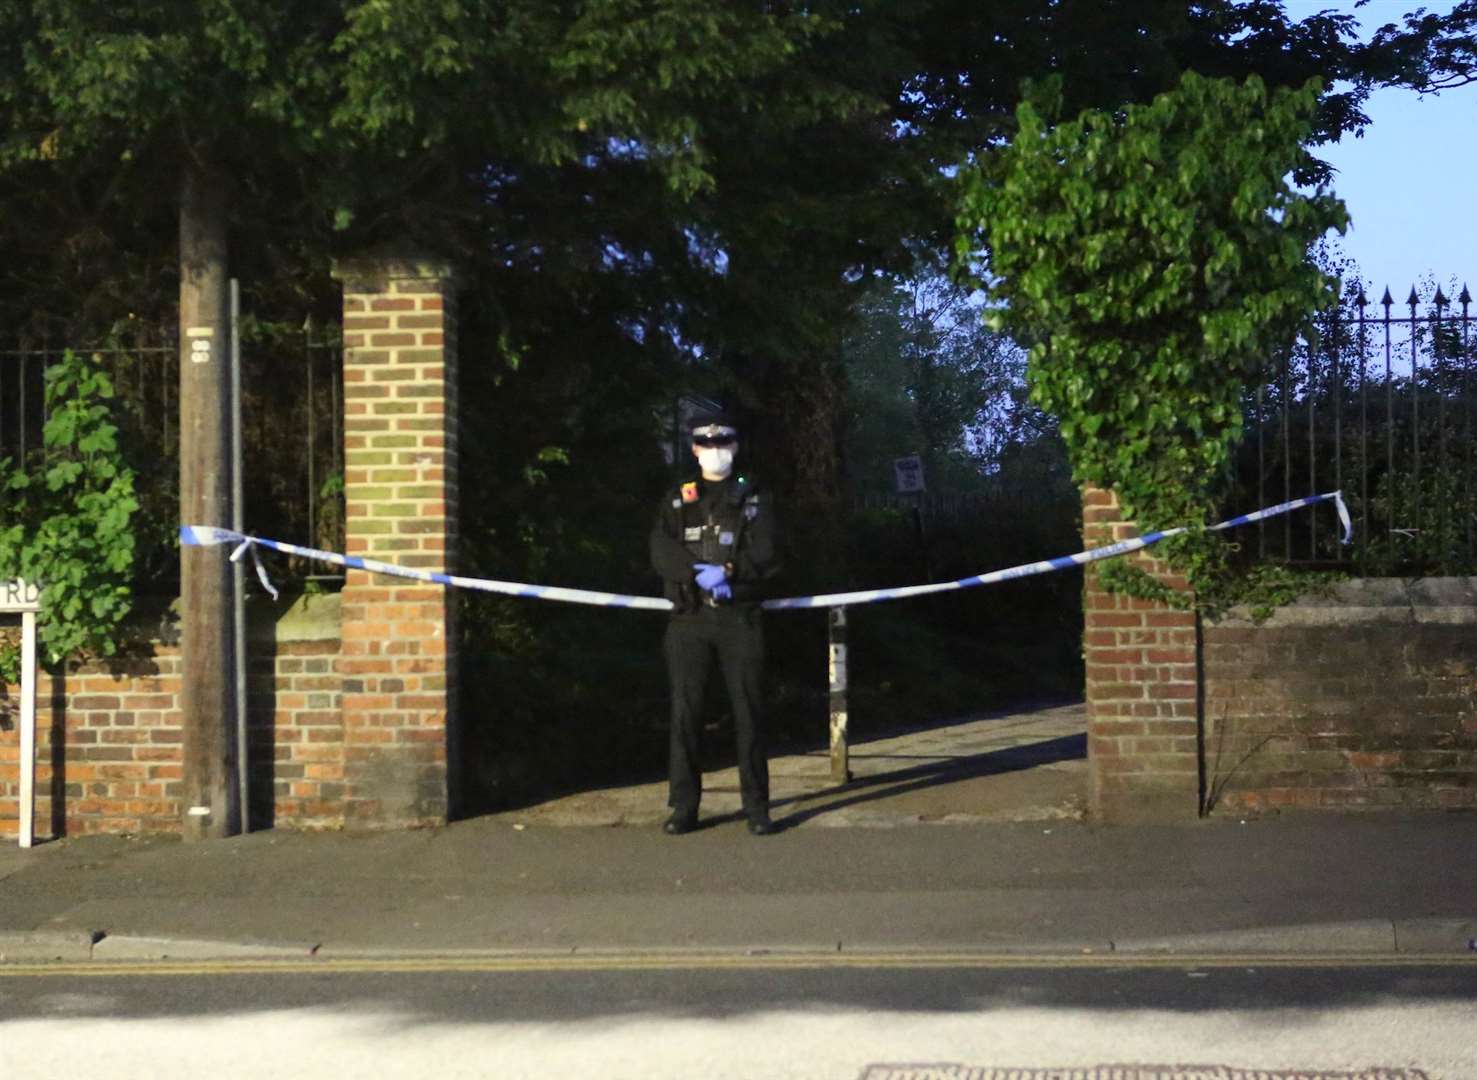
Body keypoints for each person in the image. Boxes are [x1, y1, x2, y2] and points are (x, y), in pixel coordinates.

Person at [650, 407, 781, 836]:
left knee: (750, 713)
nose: (715, 451)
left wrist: (727, 573)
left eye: (722, 442)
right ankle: (684, 807)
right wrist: (693, 574)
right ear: (694, 449)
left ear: (735, 446)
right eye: (706, 444)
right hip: (689, 618)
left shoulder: (755, 495)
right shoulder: (678, 496)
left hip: (738, 617)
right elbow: (660, 547)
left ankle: (757, 808)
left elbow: (767, 550)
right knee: (685, 714)